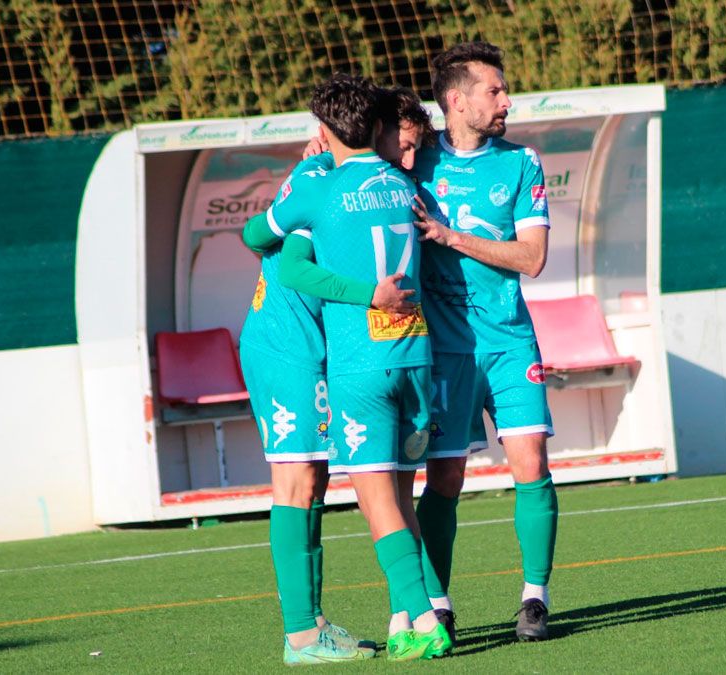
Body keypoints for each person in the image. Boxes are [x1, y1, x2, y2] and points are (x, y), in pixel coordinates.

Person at [262, 73, 451, 660]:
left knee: (365, 492)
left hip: (355, 358)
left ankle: (411, 614)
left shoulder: (326, 186)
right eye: (407, 140)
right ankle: (390, 619)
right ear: (378, 130)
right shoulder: (399, 186)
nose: (412, 153)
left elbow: (268, 242)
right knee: (322, 483)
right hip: (361, 350)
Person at [408, 41, 557, 643]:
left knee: (532, 464)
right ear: (456, 101)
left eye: (503, 90)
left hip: (511, 343)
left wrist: (450, 236)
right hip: (444, 351)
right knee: (444, 480)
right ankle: (436, 604)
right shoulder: (412, 166)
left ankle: (535, 598)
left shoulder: (523, 163)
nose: (506, 100)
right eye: (494, 91)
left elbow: (533, 257)